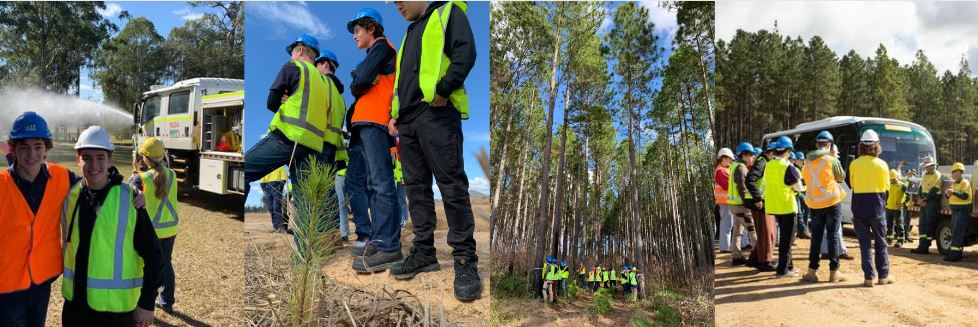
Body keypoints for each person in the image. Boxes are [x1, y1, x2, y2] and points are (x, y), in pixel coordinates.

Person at [387, 1, 481, 301]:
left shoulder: (447, 12)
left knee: (450, 183)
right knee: (416, 188)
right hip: (408, 120)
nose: (398, 5)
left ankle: (465, 260)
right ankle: (424, 252)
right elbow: (402, 82)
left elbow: (466, 53)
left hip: (437, 113)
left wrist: (443, 89)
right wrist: (395, 113)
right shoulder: (407, 34)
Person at [245, 33, 345, 250]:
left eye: (293, 51)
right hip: (312, 147)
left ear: (299, 50)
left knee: (243, 170)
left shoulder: (294, 67)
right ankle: (306, 253)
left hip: (286, 139)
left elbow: (272, 102)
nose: (291, 55)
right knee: (306, 203)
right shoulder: (325, 83)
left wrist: (285, 101)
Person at [62, 126, 163, 327]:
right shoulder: (70, 196)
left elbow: (154, 256)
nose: (93, 165)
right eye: (87, 157)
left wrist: (147, 303)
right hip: (75, 307)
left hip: (115, 313)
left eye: (100, 157)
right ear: (77, 159)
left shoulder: (131, 200)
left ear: (110, 159)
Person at [0, 112, 83, 326]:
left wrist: (130, 190)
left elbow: (95, 185)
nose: (31, 154)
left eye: (38, 146)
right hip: (7, 286)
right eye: (24, 147)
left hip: (42, 282)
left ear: (47, 148)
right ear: (14, 149)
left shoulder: (63, 177)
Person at [342, 8, 403, 273]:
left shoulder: (382, 47)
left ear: (372, 28)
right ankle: (379, 240)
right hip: (365, 126)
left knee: (381, 184)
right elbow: (360, 80)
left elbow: (359, 80)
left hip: (375, 123)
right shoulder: (373, 53)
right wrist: (360, 77)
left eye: (357, 30)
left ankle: (389, 246)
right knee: (368, 184)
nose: (354, 36)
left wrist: (359, 78)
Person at [129, 137, 181, 310]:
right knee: (166, 263)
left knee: (147, 267)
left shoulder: (141, 179)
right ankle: (167, 302)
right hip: (170, 229)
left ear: (144, 157)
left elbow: (129, 192)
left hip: (151, 231)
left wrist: (134, 173)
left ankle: (145, 302)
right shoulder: (172, 175)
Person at [848, 130, 893, 287]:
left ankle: (868, 277)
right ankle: (883, 276)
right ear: (877, 146)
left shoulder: (854, 164)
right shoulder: (882, 165)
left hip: (859, 205)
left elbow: (853, 185)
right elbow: (887, 188)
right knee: (881, 242)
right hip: (877, 206)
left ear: (861, 146)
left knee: (864, 243)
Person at [801, 131, 848, 283]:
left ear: (816, 145)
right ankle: (834, 273)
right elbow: (841, 178)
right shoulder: (831, 160)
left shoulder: (806, 162)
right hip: (832, 202)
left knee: (816, 237)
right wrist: (834, 158)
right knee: (832, 236)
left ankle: (811, 272)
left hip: (814, 203)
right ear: (829, 145)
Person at [765, 136, 804, 278]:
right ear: (787, 151)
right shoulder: (788, 167)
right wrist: (799, 189)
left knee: (785, 238)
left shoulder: (769, 165)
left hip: (774, 206)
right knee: (787, 240)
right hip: (787, 206)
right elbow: (798, 187)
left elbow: (765, 184)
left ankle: (789, 266)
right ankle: (782, 271)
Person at [745, 142, 776, 272]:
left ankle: (754, 259)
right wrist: (758, 198)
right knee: (766, 233)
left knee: (768, 231)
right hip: (758, 202)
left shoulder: (765, 162)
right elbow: (750, 179)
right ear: (770, 152)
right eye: (776, 154)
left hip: (763, 201)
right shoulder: (762, 161)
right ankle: (765, 262)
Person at [727, 142, 759, 266]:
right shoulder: (741, 168)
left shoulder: (734, 166)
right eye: (751, 155)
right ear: (744, 155)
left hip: (733, 204)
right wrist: (749, 203)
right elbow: (742, 188)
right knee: (752, 229)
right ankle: (760, 257)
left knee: (737, 231)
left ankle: (736, 257)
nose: (752, 158)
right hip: (741, 205)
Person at [911, 156, 942, 254]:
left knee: (929, 223)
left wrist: (924, 199)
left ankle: (926, 246)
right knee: (922, 223)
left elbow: (935, 190)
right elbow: (921, 187)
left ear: (932, 165)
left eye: (927, 166)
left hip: (932, 201)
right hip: (924, 201)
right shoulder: (925, 175)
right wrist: (920, 198)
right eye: (925, 166)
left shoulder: (937, 175)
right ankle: (921, 245)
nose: (926, 168)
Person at [944, 162, 972, 262]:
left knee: (957, 232)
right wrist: (948, 194)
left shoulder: (965, 183)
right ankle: (957, 253)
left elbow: (965, 196)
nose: (953, 174)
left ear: (960, 172)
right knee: (955, 231)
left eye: (954, 172)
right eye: (952, 172)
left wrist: (953, 192)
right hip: (955, 210)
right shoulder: (954, 183)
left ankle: (954, 256)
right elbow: (950, 195)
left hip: (962, 210)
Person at [716, 147, 740, 253]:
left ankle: (726, 246)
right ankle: (725, 247)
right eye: (729, 159)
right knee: (727, 224)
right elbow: (728, 185)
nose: (731, 161)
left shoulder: (724, 169)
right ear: (723, 158)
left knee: (729, 224)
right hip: (725, 202)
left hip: (727, 201)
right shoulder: (720, 171)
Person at [259, 166, 289, 233]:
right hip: (268, 188)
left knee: (276, 207)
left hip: (276, 187)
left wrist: (278, 187)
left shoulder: (280, 167)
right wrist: (265, 190)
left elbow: (284, 179)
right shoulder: (265, 168)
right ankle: (276, 227)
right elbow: (262, 181)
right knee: (271, 208)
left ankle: (281, 227)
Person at [885, 169, 909, 247]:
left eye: (894, 179)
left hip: (898, 209)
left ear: (897, 177)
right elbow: (884, 195)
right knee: (889, 225)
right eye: (891, 180)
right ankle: (889, 240)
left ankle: (900, 241)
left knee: (900, 225)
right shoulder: (887, 185)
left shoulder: (902, 185)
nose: (892, 181)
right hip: (888, 208)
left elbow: (909, 195)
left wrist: (904, 204)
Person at [793, 151, 812, 239]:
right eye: (799, 160)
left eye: (802, 160)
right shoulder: (794, 169)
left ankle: (803, 229)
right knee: (799, 213)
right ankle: (803, 230)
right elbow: (800, 181)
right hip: (798, 193)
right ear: (795, 160)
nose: (801, 161)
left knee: (806, 209)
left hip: (804, 192)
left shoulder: (802, 168)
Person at [392, 143, 409, 229]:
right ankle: (399, 220)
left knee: (401, 199)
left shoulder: (401, 149)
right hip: (395, 180)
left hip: (402, 179)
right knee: (397, 200)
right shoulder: (392, 151)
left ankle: (404, 220)